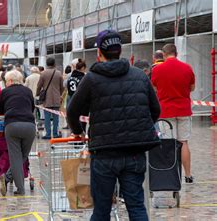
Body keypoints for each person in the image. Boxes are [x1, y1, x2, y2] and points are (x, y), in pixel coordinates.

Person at [67, 30, 161, 221]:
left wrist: (78, 132)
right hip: (134, 152)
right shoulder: (139, 76)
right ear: (119, 50)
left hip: (104, 153)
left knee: (101, 210)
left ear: (100, 53)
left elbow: (72, 111)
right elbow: (155, 109)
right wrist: (140, 128)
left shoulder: (92, 79)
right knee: (136, 206)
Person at [151, 43, 195, 183]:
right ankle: (188, 175)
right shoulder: (187, 68)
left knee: (169, 144)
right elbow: (192, 87)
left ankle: (171, 176)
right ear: (176, 53)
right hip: (183, 109)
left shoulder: (158, 69)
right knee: (184, 142)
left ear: (163, 55)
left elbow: (154, 87)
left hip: (166, 111)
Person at [0, 70, 36, 196]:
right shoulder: (28, 91)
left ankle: (19, 188)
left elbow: (0, 110)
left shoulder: (5, 92)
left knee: (15, 158)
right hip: (29, 126)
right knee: (23, 156)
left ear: (9, 81)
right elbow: (32, 108)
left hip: (12, 125)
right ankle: (8, 179)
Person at [36, 57, 64, 139]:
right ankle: (55, 134)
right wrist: (60, 95)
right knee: (56, 118)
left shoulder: (43, 73)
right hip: (56, 98)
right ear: (54, 64)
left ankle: (48, 134)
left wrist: (37, 94)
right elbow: (62, 87)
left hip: (47, 99)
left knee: (47, 118)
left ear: (46, 64)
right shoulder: (58, 73)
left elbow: (39, 86)